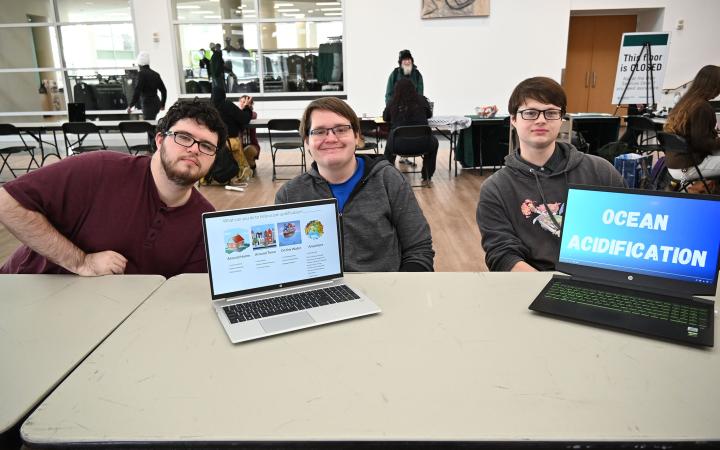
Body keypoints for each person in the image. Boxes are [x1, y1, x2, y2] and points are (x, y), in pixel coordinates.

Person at [0, 99, 227, 278]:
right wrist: (81, 262)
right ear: (159, 140)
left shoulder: (203, 221)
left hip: (114, 319)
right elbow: (6, 202)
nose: (194, 149)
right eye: (184, 137)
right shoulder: (100, 169)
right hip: (29, 290)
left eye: (206, 145)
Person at [476, 76, 625, 272]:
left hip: (597, 280)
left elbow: (625, 235)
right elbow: (502, 255)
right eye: (530, 113)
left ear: (561, 119)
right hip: (533, 285)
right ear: (513, 119)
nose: (541, 120)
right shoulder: (496, 189)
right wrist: (552, 289)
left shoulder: (600, 172)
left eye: (551, 113)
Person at [275, 97, 434, 272]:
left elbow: (419, 249)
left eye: (341, 129)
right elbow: (286, 259)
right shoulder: (290, 195)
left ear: (357, 136)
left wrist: (398, 290)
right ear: (306, 141)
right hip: (320, 293)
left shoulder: (389, 180)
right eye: (319, 131)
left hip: (385, 292)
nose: (331, 138)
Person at [663, 64, 720, 184]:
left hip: (674, 164)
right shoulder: (702, 107)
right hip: (687, 166)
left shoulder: (686, 102)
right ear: (714, 86)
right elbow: (702, 144)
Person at [383, 78, 439, 187]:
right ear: (413, 88)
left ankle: (387, 175)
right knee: (435, 142)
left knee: (389, 144)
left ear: (396, 89)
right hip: (423, 145)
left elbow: (385, 117)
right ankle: (427, 175)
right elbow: (429, 115)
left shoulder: (393, 102)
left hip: (398, 145)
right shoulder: (422, 100)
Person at [209, 86, 255, 181]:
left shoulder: (209, 107)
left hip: (212, 144)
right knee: (236, 146)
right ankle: (242, 173)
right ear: (223, 94)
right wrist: (247, 107)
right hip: (230, 141)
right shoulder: (227, 105)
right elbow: (244, 118)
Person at [127, 51, 167, 120]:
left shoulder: (141, 74)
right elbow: (164, 90)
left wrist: (131, 105)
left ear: (139, 64)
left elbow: (137, 91)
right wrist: (162, 104)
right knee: (151, 124)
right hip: (156, 103)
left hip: (147, 104)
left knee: (149, 126)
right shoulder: (156, 74)